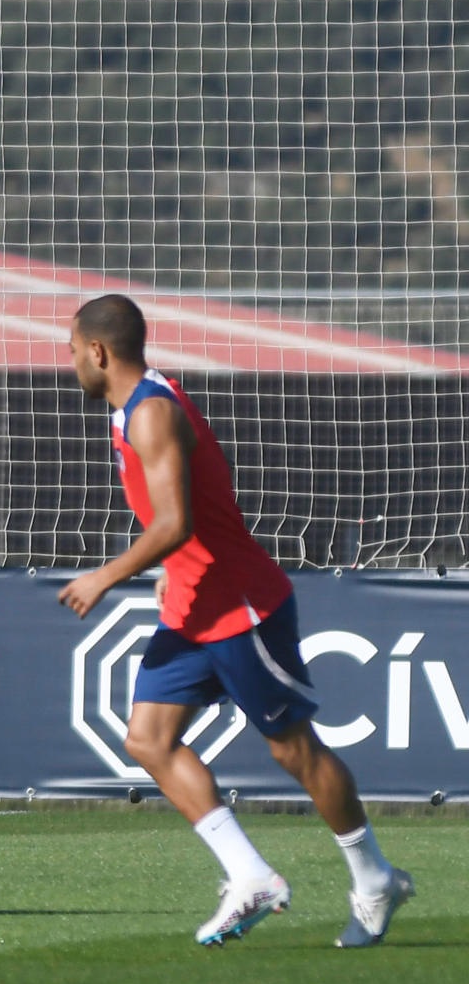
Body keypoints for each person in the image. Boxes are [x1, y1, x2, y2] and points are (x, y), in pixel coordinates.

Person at [57, 293, 414, 948]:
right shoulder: (134, 409)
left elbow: (175, 522)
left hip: (240, 609)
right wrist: (175, 567)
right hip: (192, 606)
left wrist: (105, 575)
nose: (70, 361)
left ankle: (374, 877)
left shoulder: (150, 413)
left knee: (293, 750)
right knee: (148, 738)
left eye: (72, 348)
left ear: (98, 351)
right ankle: (250, 874)